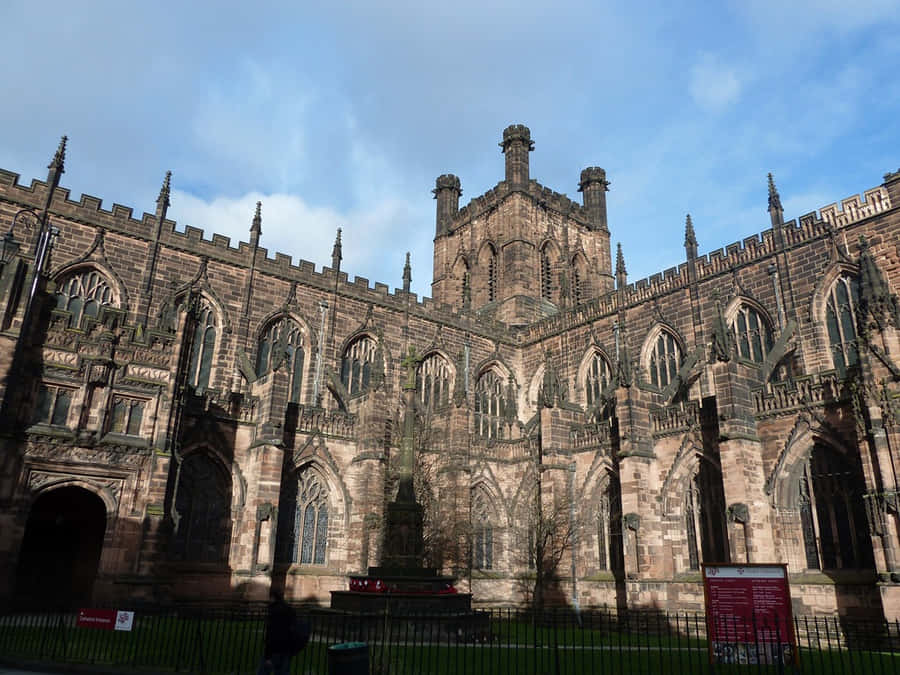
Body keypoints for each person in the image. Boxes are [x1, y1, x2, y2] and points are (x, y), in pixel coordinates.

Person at [258, 589, 296, 675]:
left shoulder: (274, 611)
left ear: (272, 598)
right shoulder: (289, 609)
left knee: (264, 670)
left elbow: (272, 633)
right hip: (287, 647)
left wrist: (268, 655)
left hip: (274, 648)